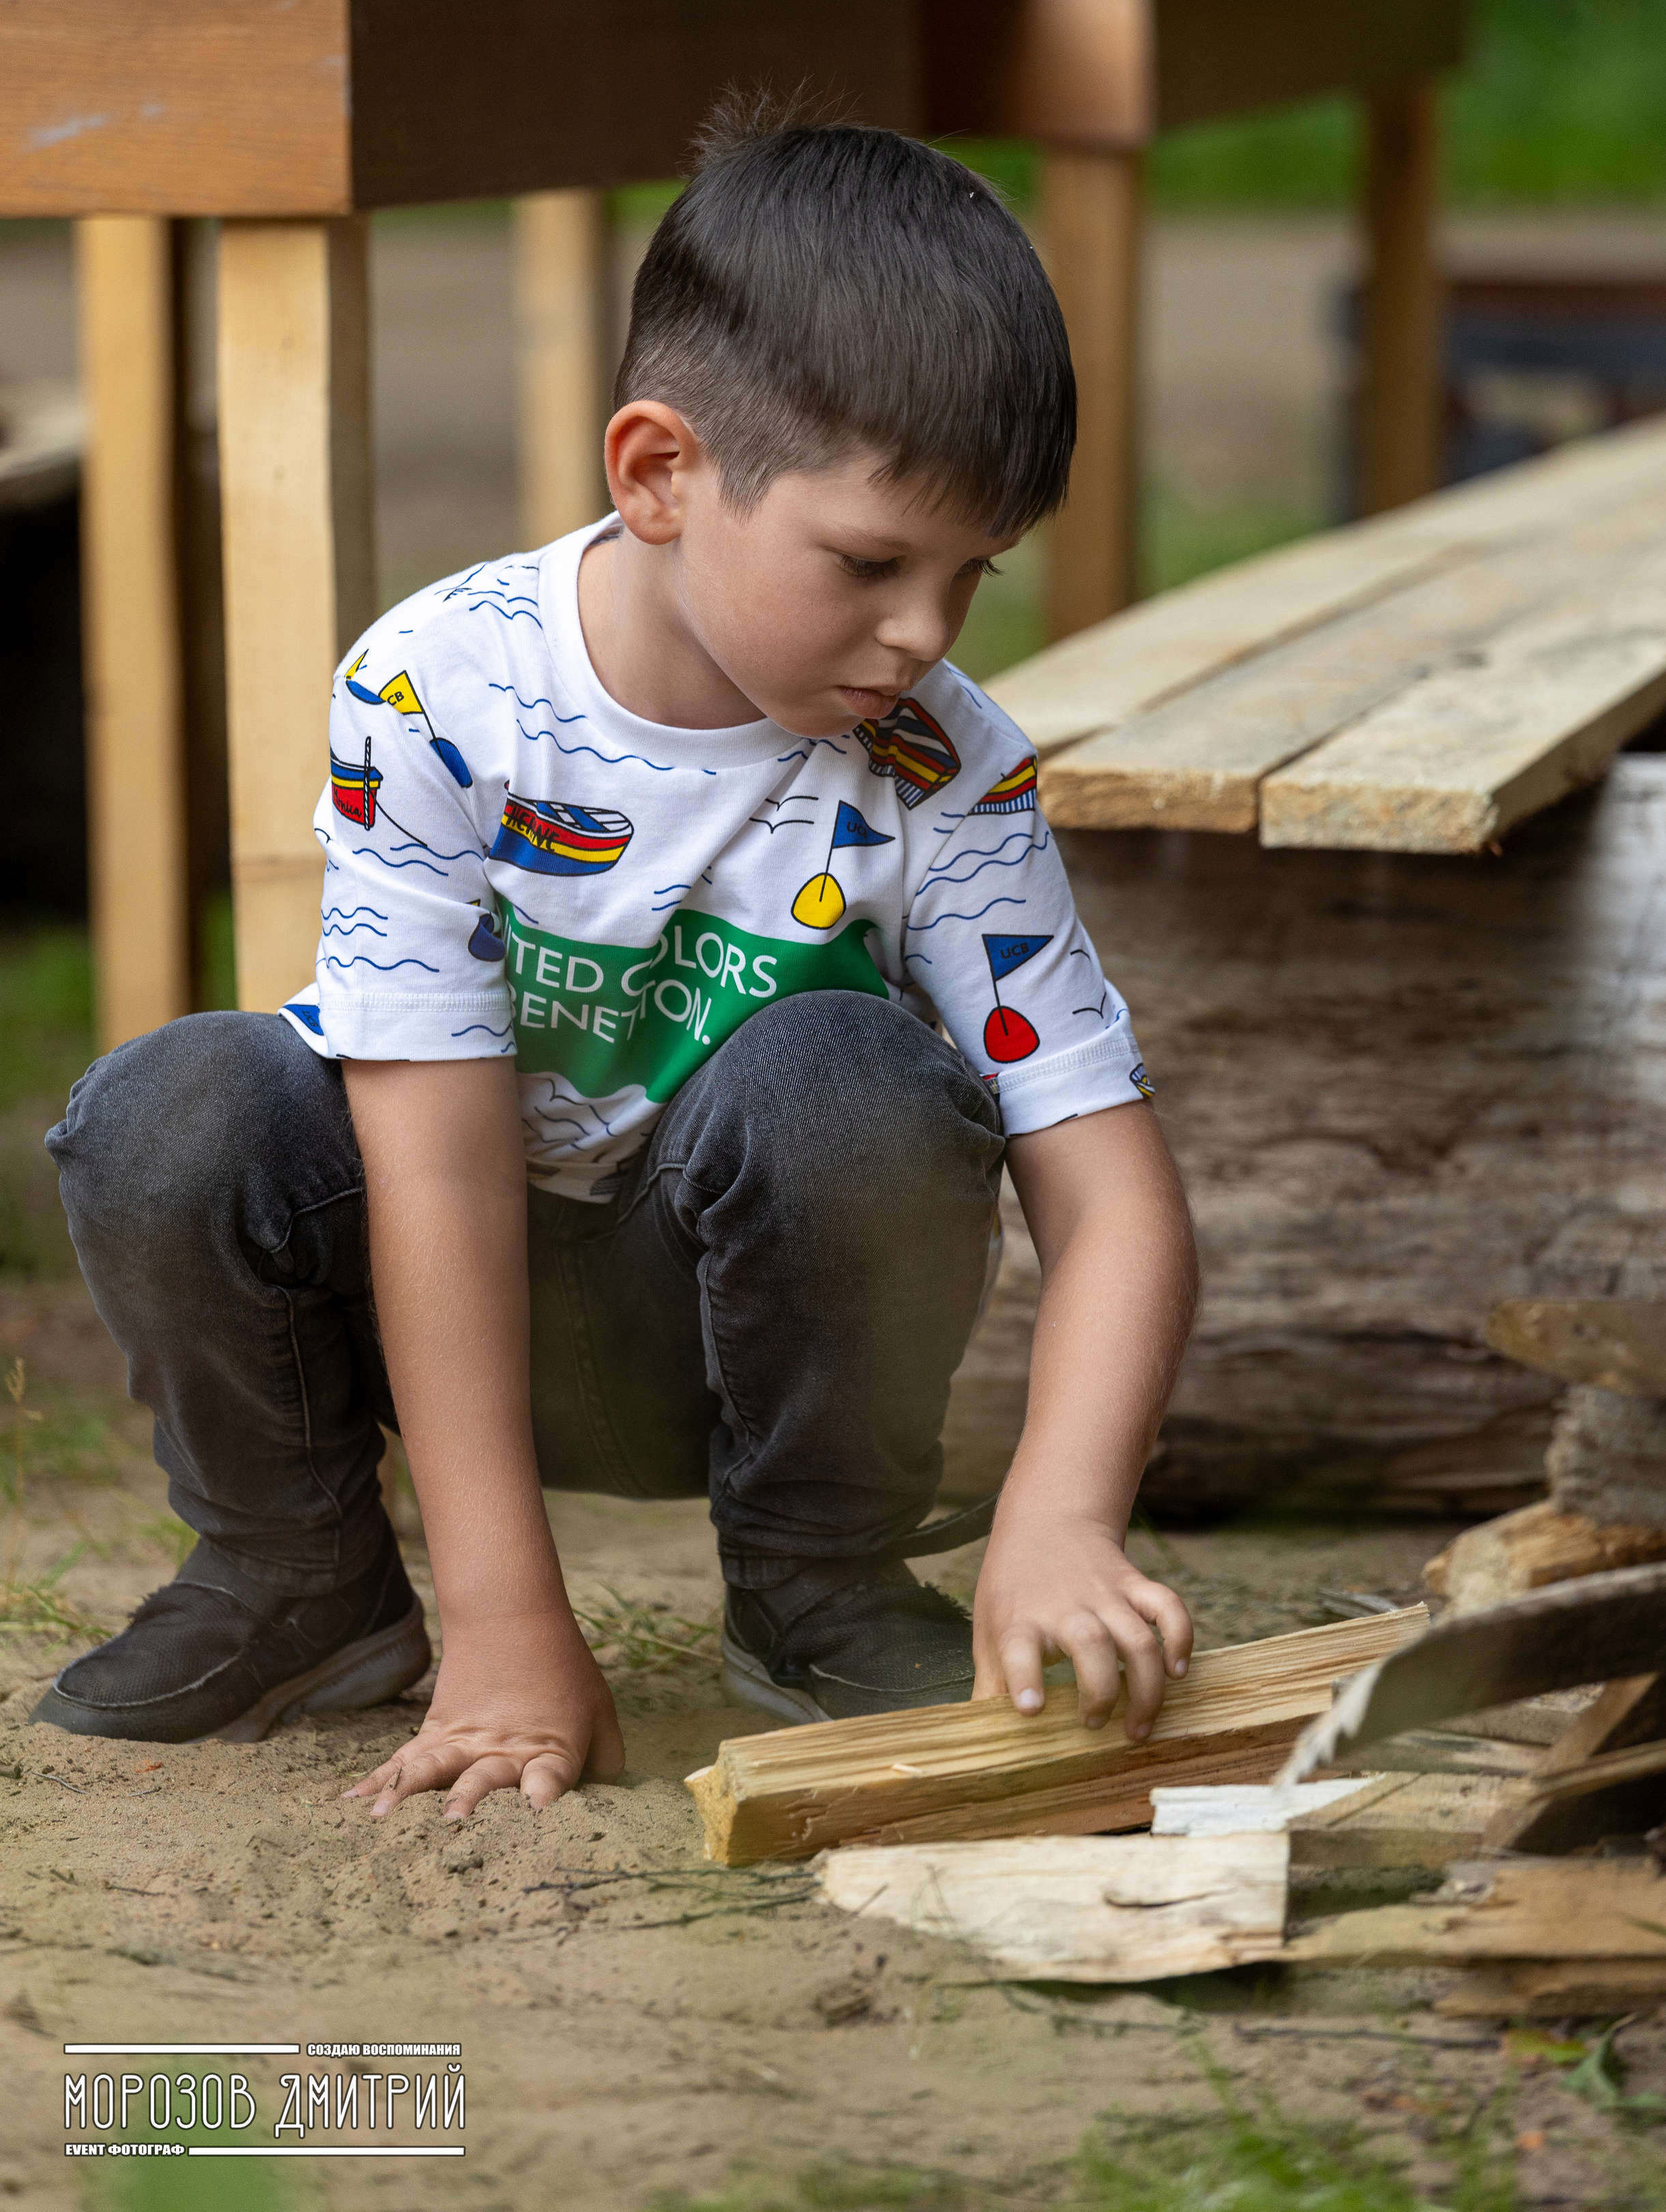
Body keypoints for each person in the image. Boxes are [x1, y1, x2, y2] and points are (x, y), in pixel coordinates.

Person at [37, 112, 1199, 1820]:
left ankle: (815, 1586)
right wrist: (506, 1624)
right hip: (431, 1304)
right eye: (872, 564)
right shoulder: (437, 692)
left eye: (970, 576)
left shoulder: (945, 766)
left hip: (714, 1343)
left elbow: (1118, 1205)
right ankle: (302, 1581)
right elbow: (424, 1168)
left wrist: (1059, 1520)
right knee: (171, 1106)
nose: (924, 636)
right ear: (658, 472)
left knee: (848, 1073)